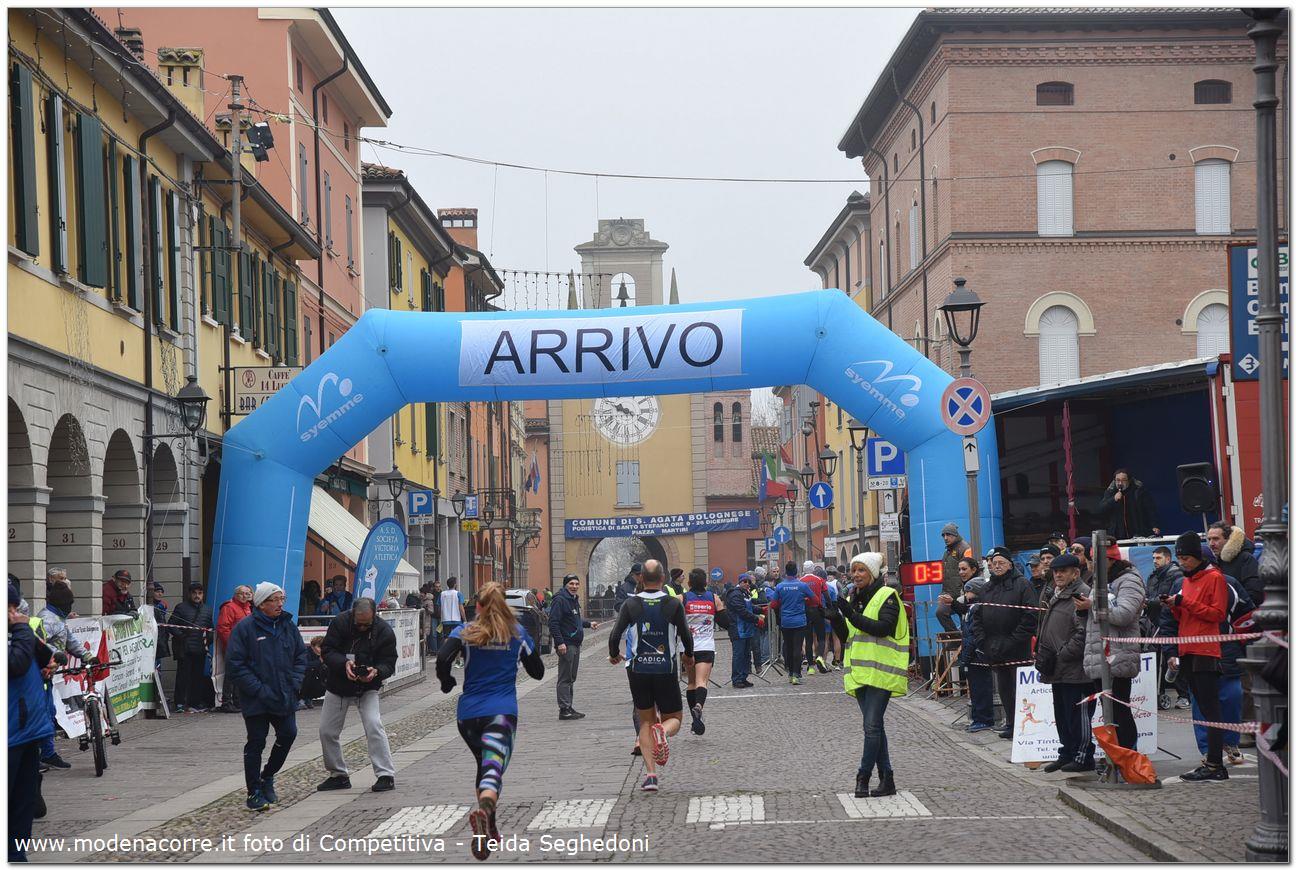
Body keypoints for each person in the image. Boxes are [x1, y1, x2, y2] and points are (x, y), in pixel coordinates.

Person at [436, 582, 544, 861]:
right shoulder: (516, 633)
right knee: (493, 768)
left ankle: (490, 829)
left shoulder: (464, 631)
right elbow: (538, 672)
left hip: (468, 716)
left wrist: (447, 682)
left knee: (484, 766)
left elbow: (442, 658)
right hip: (501, 712)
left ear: (479, 606)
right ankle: (485, 810)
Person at [607, 559, 695, 793]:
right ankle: (663, 731)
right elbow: (685, 634)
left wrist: (614, 654)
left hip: (639, 670)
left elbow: (615, 635)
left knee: (645, 721)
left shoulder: (631, 604)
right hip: (665, 668)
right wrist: (688, 656)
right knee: (674, 718)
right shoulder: (673, 604)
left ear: (642, 579)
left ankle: (651, 776)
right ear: (663, 579)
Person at [226, 582, 309, 811]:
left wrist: (294, 682)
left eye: (282, 599)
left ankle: (268, 775)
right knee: (256, 742)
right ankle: (253, 792)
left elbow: (300, 656)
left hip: (284, 694)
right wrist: (259, 689)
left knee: (289, 734)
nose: (280, 604)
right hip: (257, 698)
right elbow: (236, 664)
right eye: (275, 600)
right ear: (262, 604)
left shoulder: (288, 625)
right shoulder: (245, 628)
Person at [1161, 566, 1254, 767]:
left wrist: (1244, 643)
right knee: (1201, 703)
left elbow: (1246, 615)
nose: (1184, 563)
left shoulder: (1228, 582)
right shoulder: (1181, 584)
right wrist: (1171, 651)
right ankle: (1208, 749)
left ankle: (1230, 742)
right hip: (1195, 652)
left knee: (1231, 698)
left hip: (1226, 650)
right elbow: (1169, 622)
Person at [837, 552, 908, 799]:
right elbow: (848, 635)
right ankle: (887, 778)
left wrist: (851, 614)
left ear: (873, 573)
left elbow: (883, 629)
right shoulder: (853, 598)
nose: (856, 575)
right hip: (860, 672)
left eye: (861, 570)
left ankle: (863, 777)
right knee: (875, 727)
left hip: (882, 672)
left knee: (871, 726)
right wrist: (834, 618)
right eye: (853, 570)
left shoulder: (888, 596)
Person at [1163, 532, 1229, 781]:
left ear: (1197, 557)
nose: (1183, 563)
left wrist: (1185, 603)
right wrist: (1175, 606)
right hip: (1188, 648)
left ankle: (1215, 764)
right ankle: (1211, 761)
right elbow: (1186, 616)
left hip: (1205, 650)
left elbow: (1217, 614)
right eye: (1180, 558)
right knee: (1202, 707)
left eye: (1186, 558)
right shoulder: (1186, 580)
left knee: (1210, 709)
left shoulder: (1215, 577)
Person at [317, 597, 399, 793]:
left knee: (374, 725)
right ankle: (338, 775)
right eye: (358, 623)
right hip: (338, 684)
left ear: (374, 616)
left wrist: (376, 671)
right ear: (352, 614)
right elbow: (327, 651)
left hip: (368, 687)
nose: (362, 627)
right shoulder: (340, 622)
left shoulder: (384, 631)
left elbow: (389, 662)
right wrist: (343, 664)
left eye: (366, 624)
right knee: (326, 731)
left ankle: (385, 774)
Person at [1032, 553, 1093, 772]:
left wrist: (1063, 653)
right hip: (1057, 668)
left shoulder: (1081, 594)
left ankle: (1083, 756)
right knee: (1062, 715)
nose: (1058, 575)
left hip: (1076, 669)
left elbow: (1084, 632)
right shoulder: (1057, 593)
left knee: (1078, 716)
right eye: (1056, 571)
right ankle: (1067, 753)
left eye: (1063, 571)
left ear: (1075, 573)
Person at [10, 581, 55, 862]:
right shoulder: (19, 633)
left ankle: (17, 855)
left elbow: (43, 656)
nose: (14, 614)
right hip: (9, 734)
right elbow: (14, 664)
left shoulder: (19, 634)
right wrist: (22, 630)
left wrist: (48, 662)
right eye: (8, 609)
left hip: (29, 730)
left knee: (23, 803)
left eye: (15, 608)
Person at [977, 547, 1038, 739]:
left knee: (1020, 689)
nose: (997, 566)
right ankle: (1011, 723)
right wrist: (982, 641)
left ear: (1010, 565)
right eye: (994, 563)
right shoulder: (986, 588)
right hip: (994, 648)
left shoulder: (1023, 585)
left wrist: (1013, 640)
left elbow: (1030, 616)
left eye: (1001, 563)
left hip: (1017, 647)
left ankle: (1024, 726)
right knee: (1004, 688)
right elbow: (977, 617)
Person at [36, 581, 90, 769]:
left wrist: (87, 655)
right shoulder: (47, 619)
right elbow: (39, 643)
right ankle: (39, 756)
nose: (70, 607)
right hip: (39, 673)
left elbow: (70, 641)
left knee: (49, 713)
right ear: (62, 604)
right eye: (69, 604)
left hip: (47, 674)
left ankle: (47, 753)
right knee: (43, 714)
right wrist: (56, 654)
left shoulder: (58, 619)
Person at [1145, 546, 1191, 710]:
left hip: (1171, 622)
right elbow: (1149, 595)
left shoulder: (1176, 576)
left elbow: (1170, 599)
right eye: (1153, 558)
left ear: (1168, 559)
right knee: (1158, 658)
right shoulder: (1153, 577)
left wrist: (1150, 602)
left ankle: (1184, 695)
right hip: (1155, 622)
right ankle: (1159, 692)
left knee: (1173, 658)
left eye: (1158, 558)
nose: (1155, 561)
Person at [548, 573, 599, 720]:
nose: (574, 586)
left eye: (576, 584)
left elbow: (574, 619)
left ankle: (569, 706)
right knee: (565, 677)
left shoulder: (573, 599)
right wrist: (560, 642)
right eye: (571, 584)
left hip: (575, 644)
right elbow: (553, 623)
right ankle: (564, 709)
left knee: (571, 677)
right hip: (567, 644)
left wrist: (588, 624)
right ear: (565, 585)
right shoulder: (560, 600)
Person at [681, 568, 725, 733]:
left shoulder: (682, 599)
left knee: (691, 683)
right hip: (706, 646)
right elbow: (725, 621)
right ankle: (699, 706)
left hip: (687, 648)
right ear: (705, 582)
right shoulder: (714, 598)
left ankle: (695, 721)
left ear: (689, 583)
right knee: (702, 682)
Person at [953, 563, 994, 733]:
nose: (966, 594)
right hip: (971, 655)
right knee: (975, 689)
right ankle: (977, 717)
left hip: (977, 656)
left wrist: (967, 655)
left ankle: (984, 719)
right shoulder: (970, 608)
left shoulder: (977, 608)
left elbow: (973, 635)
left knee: (981, 689)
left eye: (968, 591)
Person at [170, 581, 214, 713]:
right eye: (194, 593)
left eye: (200, 593)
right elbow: (171, 625)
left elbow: (210, 627)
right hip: (185, 649)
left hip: (200, 648)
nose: (197, 595)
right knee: (182, 677)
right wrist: (182, 637)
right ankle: (180, 702)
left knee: (197, 677)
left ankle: (195, 702)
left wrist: (208, 640)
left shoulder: (208, 609)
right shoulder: (181, 607)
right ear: (189, 594)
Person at [769, 562, 813, 684]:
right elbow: (815, 599)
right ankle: (796, 675)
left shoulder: (780, 586)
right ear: (796, 571)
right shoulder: (802, 585)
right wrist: (805, 600)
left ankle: (790, 673)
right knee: (797, 648)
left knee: (788, 647)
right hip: (799, 622)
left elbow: (773, 604)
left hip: (786, 621)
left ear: (785, 572)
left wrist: (782, 602)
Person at [216, 585, 253, 713]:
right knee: (231, 675)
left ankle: (238, 701)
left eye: (247, 593)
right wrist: (232, 645)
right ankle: (226, 702)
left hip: (245, 647)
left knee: (241, 674)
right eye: (241, 593)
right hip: (234, 647)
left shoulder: (247, 608)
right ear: (236, 594)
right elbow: (223, 628)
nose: (244, 596)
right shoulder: (229, 607)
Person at [1207, 522, 1262, 605]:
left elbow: (1254, 594)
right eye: (1209, 539)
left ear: (1228, 539)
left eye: (1216, 539)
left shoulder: (1245, 559)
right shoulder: (1212, 561)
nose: (1211, 544)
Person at [1098, 468, 1161, 538]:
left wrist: (1154, 525)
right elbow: (1101, 509)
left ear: (1129, 480)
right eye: (1118, 480)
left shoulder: (1138, 491)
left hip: (1138, 532)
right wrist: (1113, 499)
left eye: (1123, 480)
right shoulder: (1111, 491)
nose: (1120, 483)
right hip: (1117, 533)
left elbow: (1150, 510)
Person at [725, 573, 761, 689]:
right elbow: (741, 611)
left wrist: (761, 609)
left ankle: (743, 677)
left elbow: (749, 607)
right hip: (737, 629)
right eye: (744, 581)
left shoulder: (745, 593)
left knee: (746, 655)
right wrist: (757, 619)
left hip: (746, 629)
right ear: (740, 582)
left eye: (749, 582)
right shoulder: (735, 594)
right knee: (739, 655)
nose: (747, 584)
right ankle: (737, 679)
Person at [936, 523, 969, 632]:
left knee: (964, 620)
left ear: (955, 535)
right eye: (943, 535)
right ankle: (955, 636)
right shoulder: (947, 552)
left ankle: (962, 638)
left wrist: (965, 591)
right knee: (941, 612)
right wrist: (943, 594)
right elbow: (947, 577)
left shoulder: (964, 548)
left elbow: (970, 571)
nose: (945, 538)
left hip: (962, 594)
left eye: (948, 534)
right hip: (949, 594)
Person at [803, 566, 832, 674]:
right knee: (821, 637)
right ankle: (820, 657)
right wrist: (830, 608)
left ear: (804, 569)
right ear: (813, 569)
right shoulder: (819, 580)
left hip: (806, 612)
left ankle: (810, 666)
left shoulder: (801, 581)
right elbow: (827, 596)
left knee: (808, 640)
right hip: (817, 610)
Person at [299, 636, 327, 709]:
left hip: (314, 680)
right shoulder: (305, 653)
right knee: (309, 672)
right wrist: (319, 662)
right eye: (319, 647)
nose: (321, 649)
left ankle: (308, 697)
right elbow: (304, 666)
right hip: (301, 679)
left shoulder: (324, 655)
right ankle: (300, 699)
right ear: (312, 646)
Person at [439, 577, 466, 644]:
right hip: (456, 620)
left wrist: (441, 617)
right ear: (455, 584)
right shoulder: (458, 594)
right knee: (457, 637)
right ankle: (456, 649)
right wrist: (464, 619)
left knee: (446, 637)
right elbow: (461, 608)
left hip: (445, 620)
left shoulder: (442, 594)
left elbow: (439, 607)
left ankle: (446, 648)